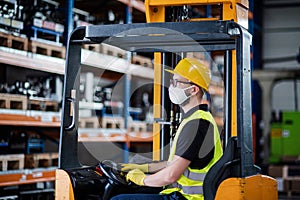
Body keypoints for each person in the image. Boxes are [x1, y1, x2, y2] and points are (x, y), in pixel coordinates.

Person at [112, 57, 223, 200]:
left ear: (193, 90)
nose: (171, 86)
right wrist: (144, 168)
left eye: (177, 82)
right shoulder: (194, 119)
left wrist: (141, 179)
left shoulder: (196, 124)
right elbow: (175, 163)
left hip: (188, 198)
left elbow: (171, 175)